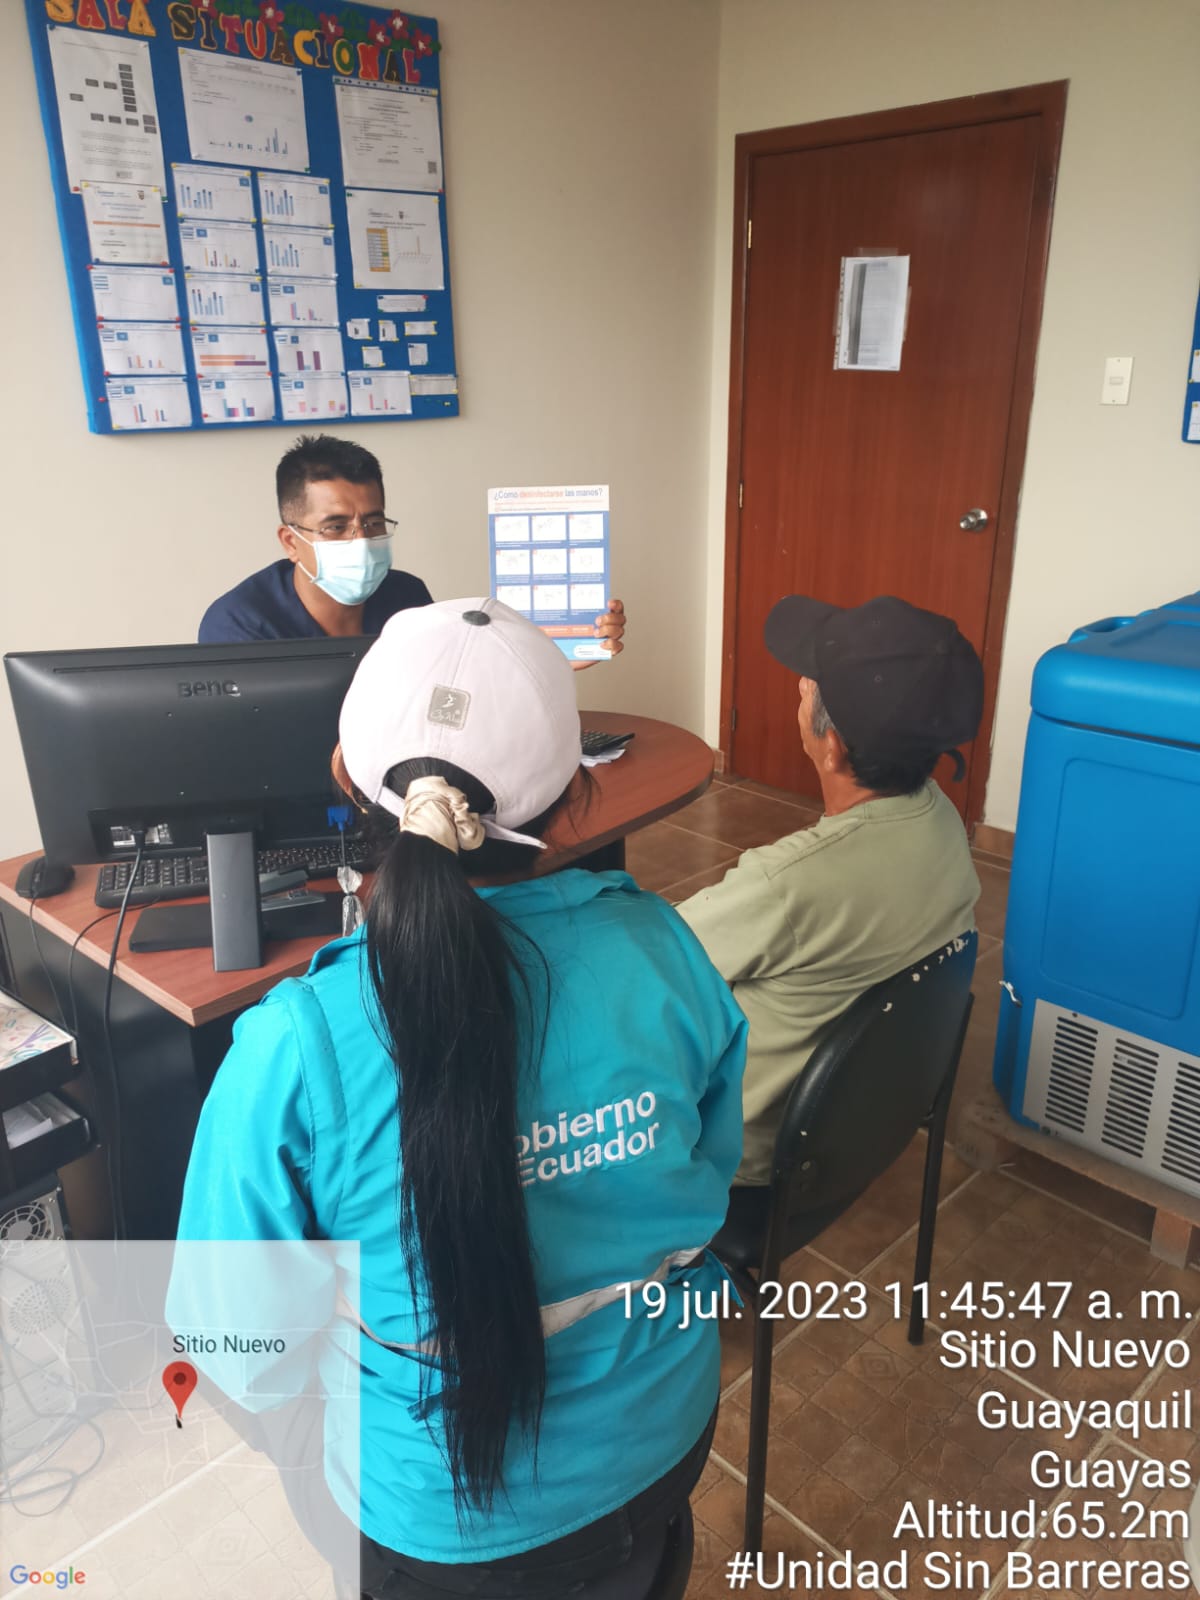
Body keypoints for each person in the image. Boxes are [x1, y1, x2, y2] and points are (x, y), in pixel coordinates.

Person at [172, 596, 746, 1597]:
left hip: (438, 1533)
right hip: (665, 1441)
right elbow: (712, 1167)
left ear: (347, 777)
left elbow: (238, 1349)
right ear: (576, 791)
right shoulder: (663, 947)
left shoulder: (297, 1045)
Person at [676, 593, 983, 1186]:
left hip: (747, 1158)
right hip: (865, 1131)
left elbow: (653, 960)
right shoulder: (941, 818)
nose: (800, 687)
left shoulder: (788, 884)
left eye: (810, 685)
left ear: (833, 746)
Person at [198, 434, 627, 669]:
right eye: (335, 527)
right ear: (291, 541)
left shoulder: (406, 596)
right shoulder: (239, 627)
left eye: (373, 522)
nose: (360, 540)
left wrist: (556, 656)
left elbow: (451, 692)